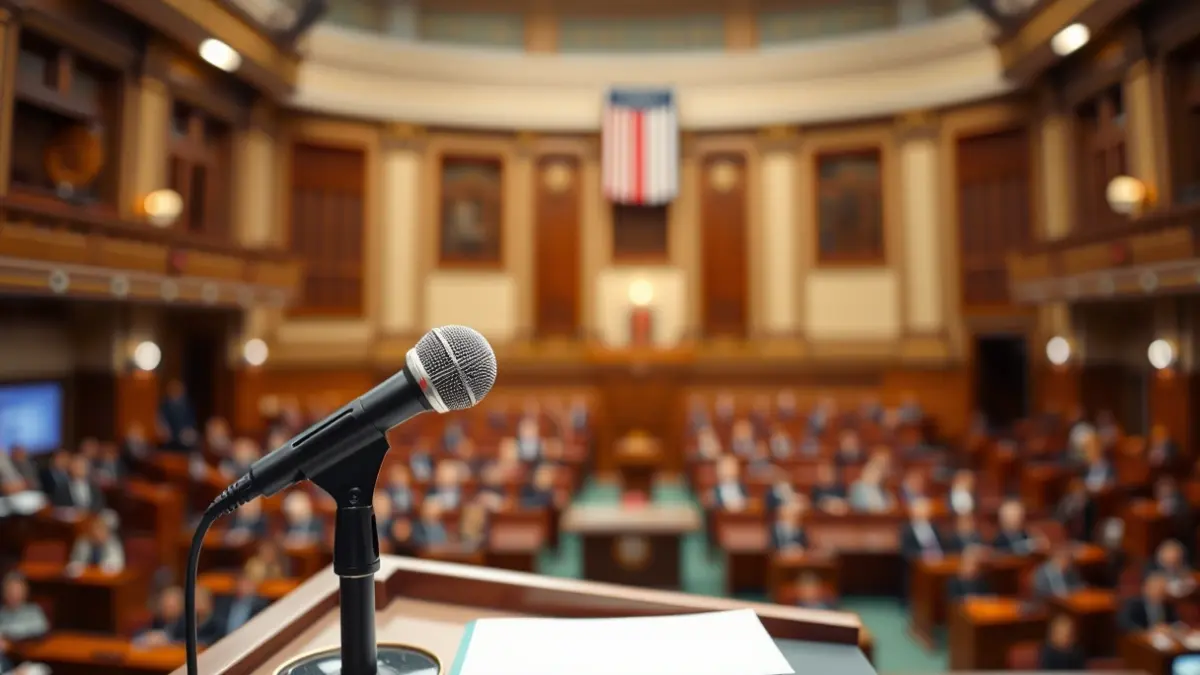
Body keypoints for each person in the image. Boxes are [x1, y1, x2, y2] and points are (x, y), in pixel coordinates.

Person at [213, 569, 269, 638]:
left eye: (249, 583)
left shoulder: (262, 605)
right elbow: (215, 628)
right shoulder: (224, 602)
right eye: (241, 582)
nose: (244, 586)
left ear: (255, 585)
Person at [0, 572, 49, 641]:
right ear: (4, 593)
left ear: (25, 593)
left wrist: (10, 638)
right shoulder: (1, 613)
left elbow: (41, 631)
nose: (14, 595)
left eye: (18, 591)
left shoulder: (34, 611)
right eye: (11, 591)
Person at [157, 379, 198, 451]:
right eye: (173, 389)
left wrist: (187, 432)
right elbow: (162, 421)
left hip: (185, 439)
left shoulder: (187, 405)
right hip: (169, 440)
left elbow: (191, 421)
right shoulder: (165, 406)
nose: (175, 391)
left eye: (177, 389)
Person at [1055, 477, 1096, 542]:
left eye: (1081, 492)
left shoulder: (1089, 505)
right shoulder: (1065, 502)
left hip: (1085, 539)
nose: (1079, 494)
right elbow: (1059, 520)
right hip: (1067, 536)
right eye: (1076, 491)